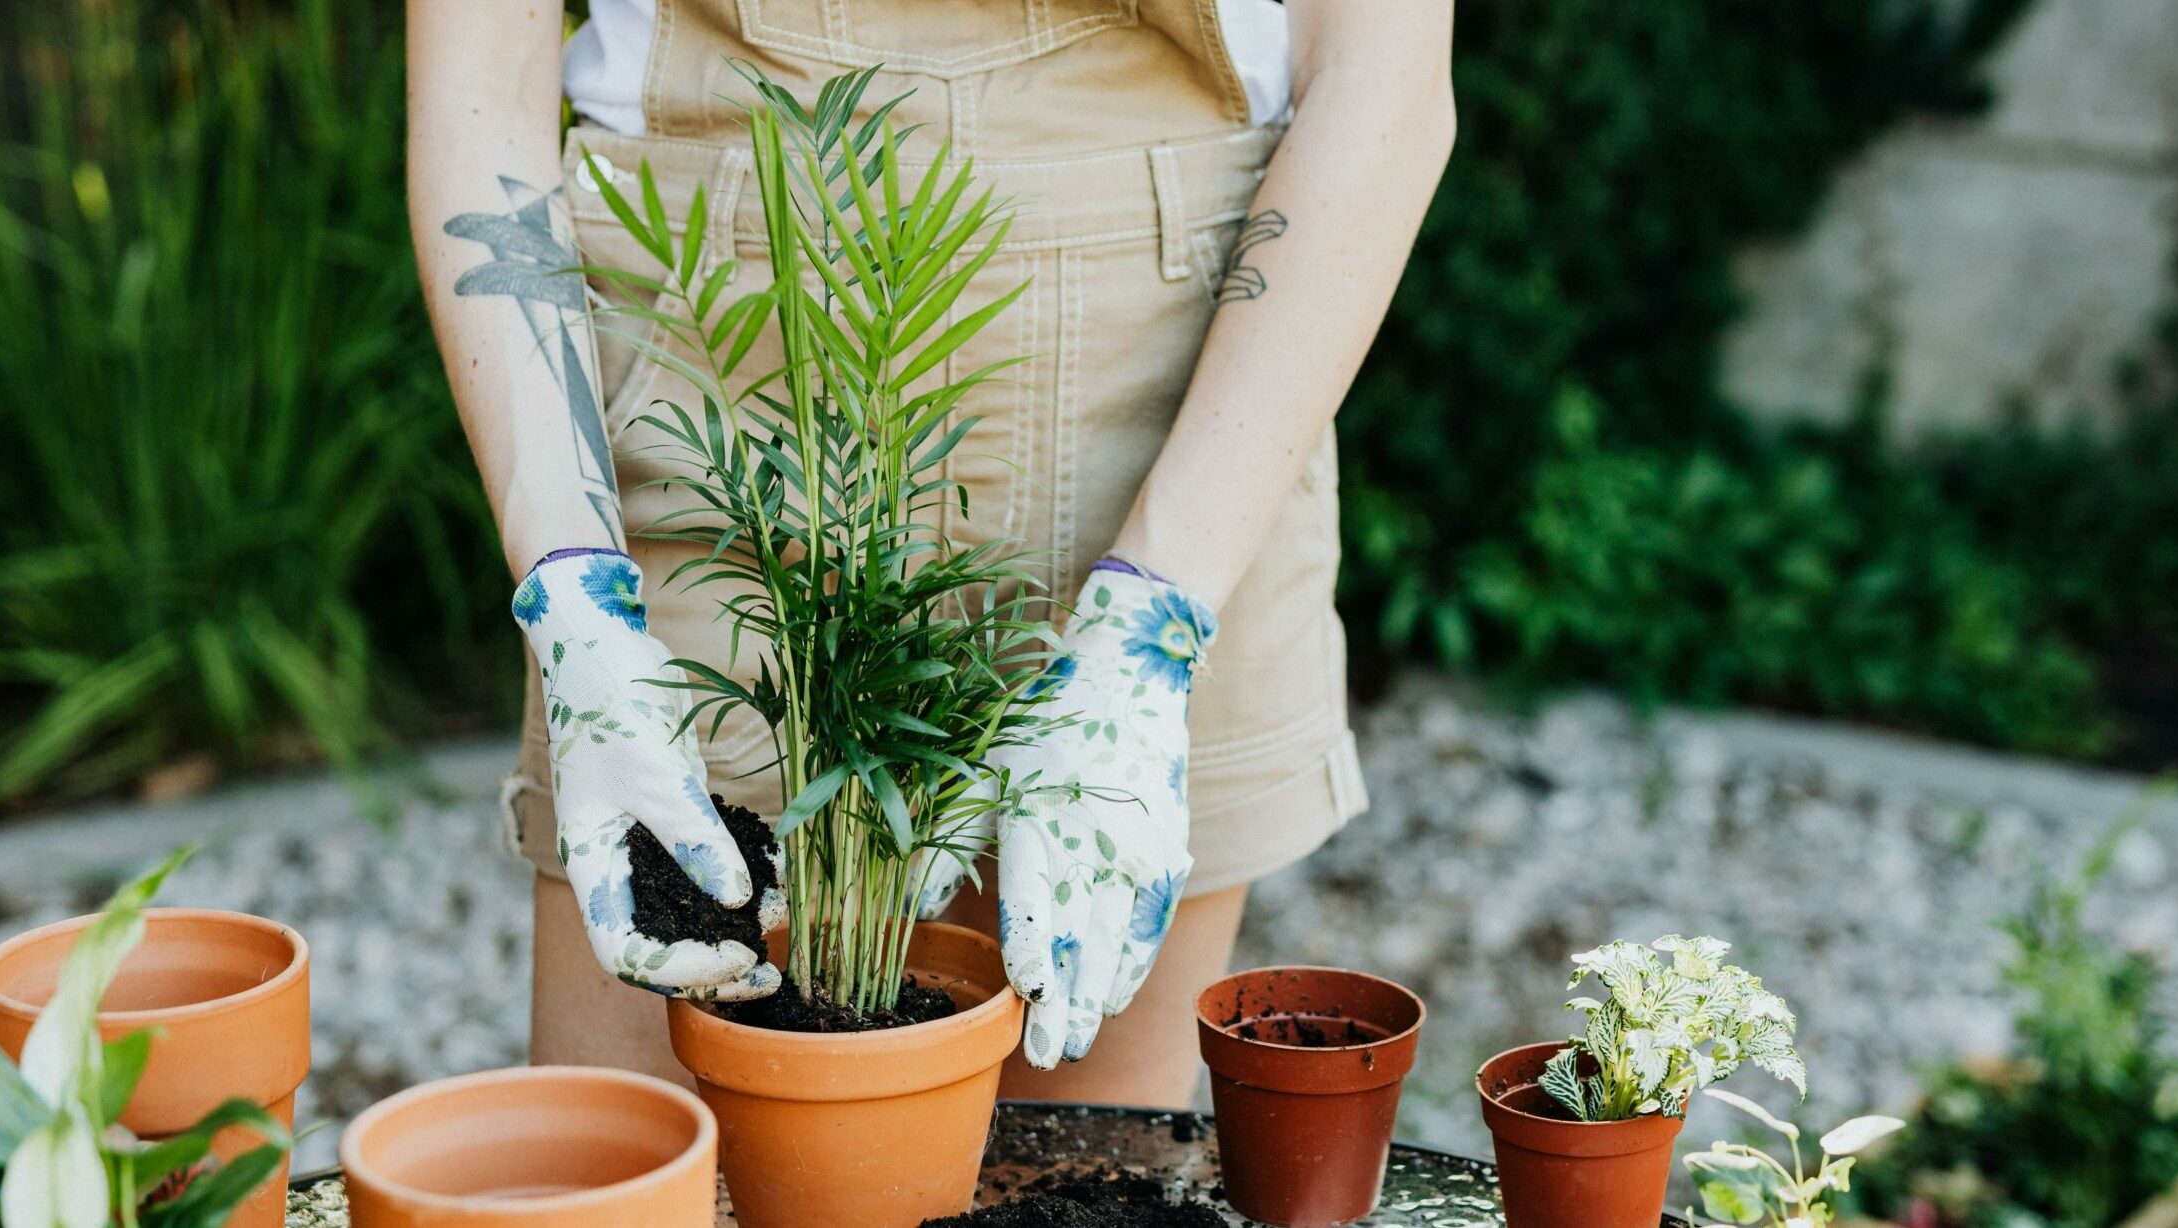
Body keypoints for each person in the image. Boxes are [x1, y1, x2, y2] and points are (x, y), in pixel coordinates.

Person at [407, 0, 1454, 1106]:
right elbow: (479, 84)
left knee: (1087, 1172)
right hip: (715, 365)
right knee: (634, 1154)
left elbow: (1379, 74)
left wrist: (1152, 619)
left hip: (1171, 400)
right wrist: (572, 589)